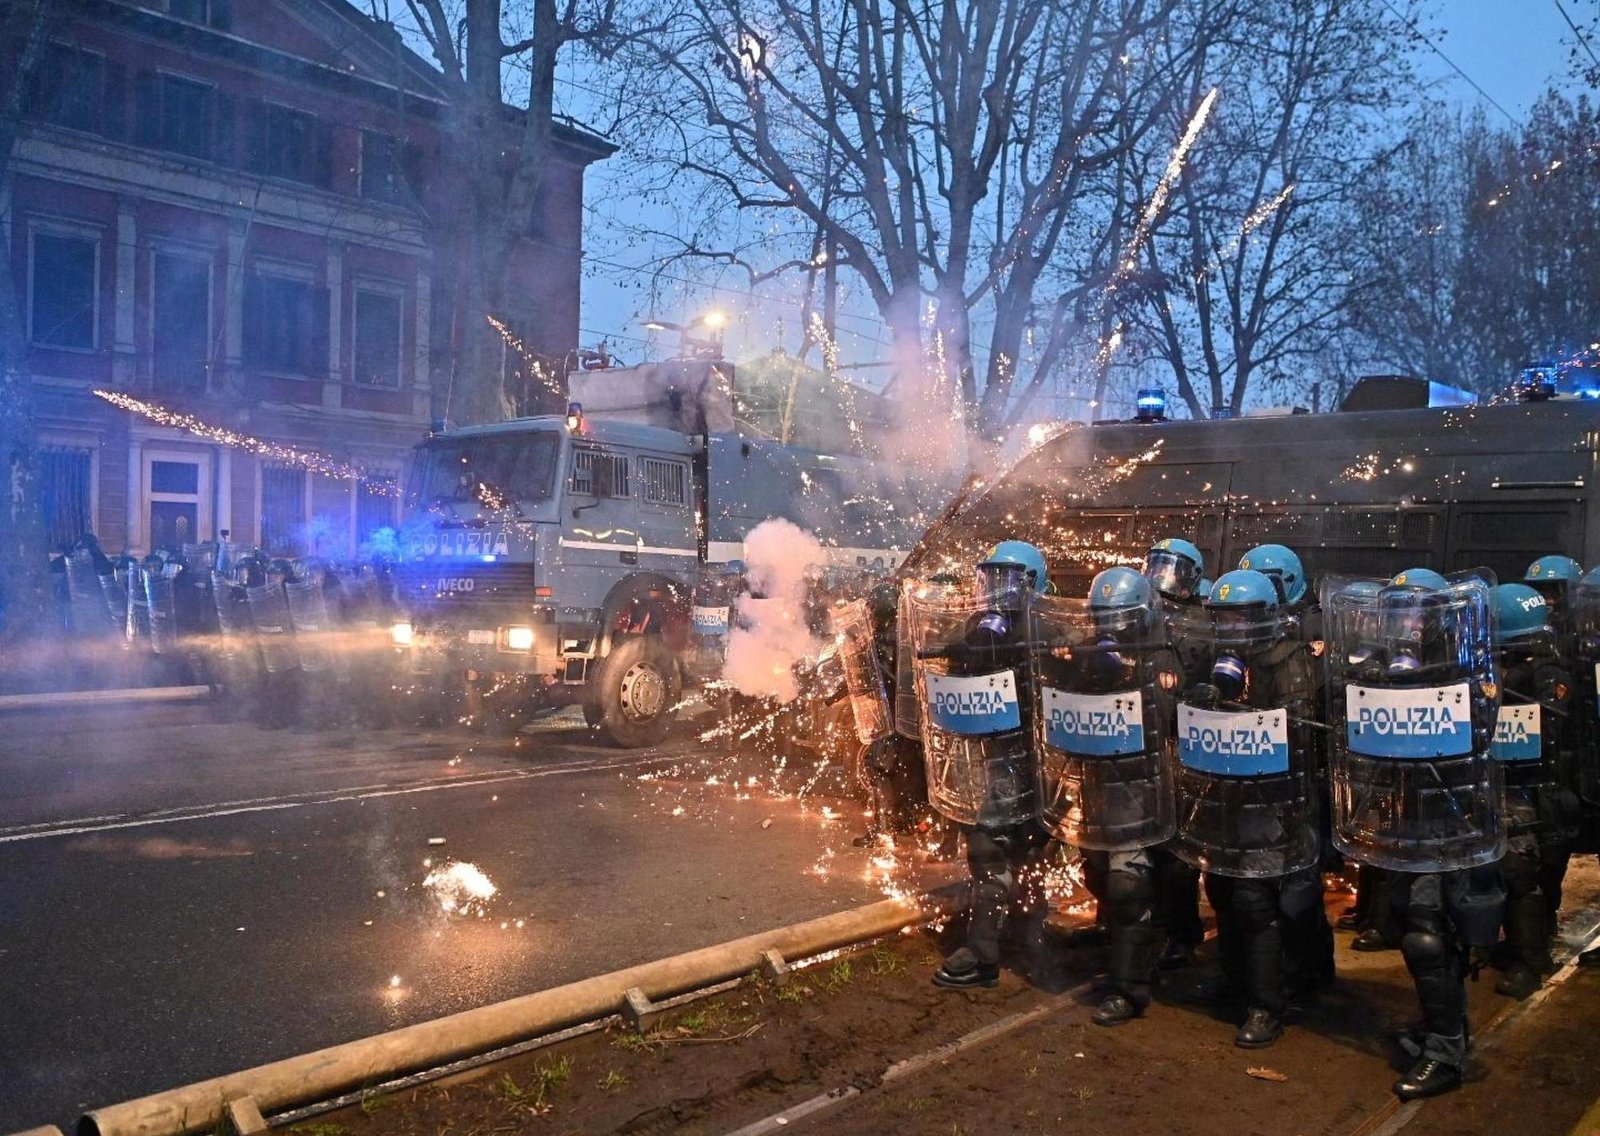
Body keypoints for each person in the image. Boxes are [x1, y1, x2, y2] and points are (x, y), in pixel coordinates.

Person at [1331, 568, 1505, 1101]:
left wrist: (1431, 688)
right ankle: (1438, 1026)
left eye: (1414, 611)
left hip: (1447, 814)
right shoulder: (1380, 666)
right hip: (1402, 812)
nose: (1404, 622)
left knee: (1427, 932)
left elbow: (1480, 731)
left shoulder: (1467, 668)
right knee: (1403, 919)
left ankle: (1446, 1052)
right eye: (1397, 611)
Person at [1174, 569, 1324, 1048]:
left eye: (1240, 616)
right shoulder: (1218, 658)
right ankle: (1233, 979)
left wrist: (1238, 716)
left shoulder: (1288, 660)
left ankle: (1266, 1005)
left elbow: (1299, 732)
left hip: (1271, 803)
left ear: (1263, 614)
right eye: (1223, 618)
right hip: (1224, 797)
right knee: (1219, 888)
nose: (1232, 626)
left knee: (1254, 903)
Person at [1033, 567, 1182, 1024]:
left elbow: (1169, 712)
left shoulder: (1162, 656)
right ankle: (1129, 943)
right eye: (1103, 616)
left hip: (1140, 787)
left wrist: (1133, 675)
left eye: (1119, 616)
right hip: (1096, 786)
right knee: (1099, 876)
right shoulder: (1085, 650)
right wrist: (1065, 661)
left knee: (1127, 884)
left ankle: (1129, 987)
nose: (1111, 625)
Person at [914, 541, 1053, 988]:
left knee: (1003, 848)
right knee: (997, 848)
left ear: (1034, 583)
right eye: (993, 577)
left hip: (1037, 759)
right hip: (993, 756)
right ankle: (1017, 937)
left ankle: (985, 951)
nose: (999, 588)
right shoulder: (979, 626)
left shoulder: (1050, 628)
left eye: (1009, 578)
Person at [1489, 582, 1578, 998]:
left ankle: (1529, 962)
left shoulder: (1544, 673)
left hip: (1536, 792)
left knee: (1524, 876)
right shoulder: (1532, 666)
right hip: (1521, 789)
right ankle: (1526, 948)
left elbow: (1545, 730)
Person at [1141, 537, 1209, 970]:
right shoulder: (1139, 614)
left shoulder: (1201, 623)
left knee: (1175, 852)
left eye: (1175, 569)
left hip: (1181, 750)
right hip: (1142, 745)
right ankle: (1126, 922)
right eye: (1158, 566)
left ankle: (1182, 933)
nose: (1163, 578)